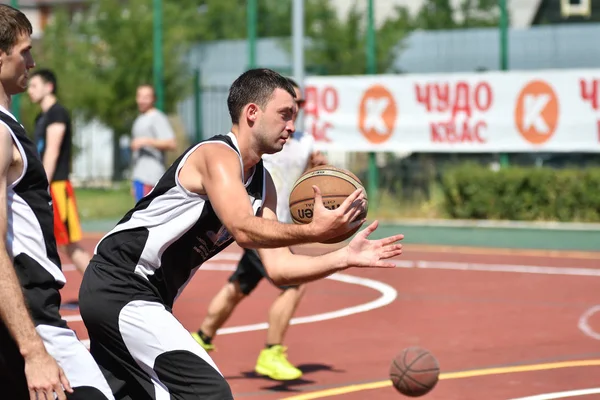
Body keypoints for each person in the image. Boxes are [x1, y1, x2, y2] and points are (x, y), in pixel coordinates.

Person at [78, 68, 403, 399]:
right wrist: (313, 230)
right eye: (285, 115)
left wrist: (345, 256)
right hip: (121, 285)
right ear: (252, 113)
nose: (292, 126)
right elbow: (244, 230)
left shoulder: (264, 183)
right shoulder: (217, 156)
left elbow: (279, 269)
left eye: (295, 117)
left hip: (145, 296)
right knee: (209, 393)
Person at [0, 5, 114, 400]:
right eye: (24, 52)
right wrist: (34, 349)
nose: (32, 62)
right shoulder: (0, 134)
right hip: (34, 318)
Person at [192, 78, 328, 381]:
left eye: (300, 107)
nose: (296, 113)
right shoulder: (249, 145)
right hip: (259, 224)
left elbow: (305, 181)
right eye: (289, 107)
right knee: (294, 283)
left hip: (277, 223)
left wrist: (317, 169)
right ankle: (272, 351)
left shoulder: (304, 141)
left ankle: (202, 337)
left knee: (237, 288)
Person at [27, 68, 91, 275]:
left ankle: (105, 289)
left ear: (49, 87)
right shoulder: (41, 118)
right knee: (45, 242)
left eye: (34, 85)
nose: (29, 90)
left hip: (57, 187)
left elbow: (52, 152)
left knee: (69, 245)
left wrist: (41, 185)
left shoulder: (57, 114)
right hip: (49, 185)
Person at [129, 83, 176, 202]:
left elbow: (171, 143)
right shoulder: (139, 119)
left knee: (147, 215)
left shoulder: (157, 118)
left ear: (153, 99)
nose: (142, 100)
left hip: (151, 176)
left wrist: (146, 141)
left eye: (146, 97)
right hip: (139, 176)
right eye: (139, 96)